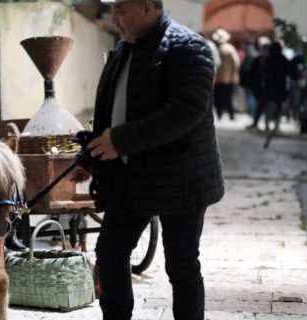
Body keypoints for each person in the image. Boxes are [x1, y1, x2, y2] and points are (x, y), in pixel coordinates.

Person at [71, 1, 225, 319]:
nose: (113, 19)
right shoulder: (124, 49)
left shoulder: (189, 47)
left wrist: (121, 140)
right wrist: (90, 156)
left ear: (147, 7)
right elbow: (108, 112)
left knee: (181, 265)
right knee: (111, 254)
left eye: (121, 10)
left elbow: (184, 113)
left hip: (181, 178)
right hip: (130, 178)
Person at [212, 28, 240, 120]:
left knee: (219, 97)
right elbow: (236, 63)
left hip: (219, 78)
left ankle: (220, 114)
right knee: (228, 97)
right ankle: (231, 114)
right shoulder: (230, 48)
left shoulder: (217, 48)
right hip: (229, 78)